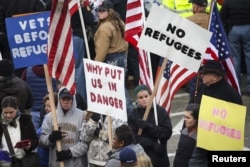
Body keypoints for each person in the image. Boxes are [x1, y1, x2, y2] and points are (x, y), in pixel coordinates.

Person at [94, 0, 134, 115]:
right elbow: (126, 43)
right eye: (98, 11)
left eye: (102, 11)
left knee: (117, 90)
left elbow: (102, 50)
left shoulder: (105, 28)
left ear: (110, 11)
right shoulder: (120, 22)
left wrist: (96, 66)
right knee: (119, 87)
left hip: (111, 59)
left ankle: (130, 114)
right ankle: (126, 114)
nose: (99, 13)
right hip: (121, 57)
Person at [39, 87, 89, 167]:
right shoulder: (50, 117)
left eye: (68, 99)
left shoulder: (82, 116)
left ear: (73, 99)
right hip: (56, 163)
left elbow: (85, 143)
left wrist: (69, 153)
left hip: (76, 163)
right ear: (59, 99)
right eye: (63, 99)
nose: (66, 101)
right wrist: (51, 138)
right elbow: (42, 140)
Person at [128, 84, 172, 167]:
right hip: (142, 157)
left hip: (160, 155)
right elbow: (133, 137)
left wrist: (149, 126)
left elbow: (167, 132)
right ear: (137, 99)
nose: (144, 99)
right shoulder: (133, 115)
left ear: (150, 96)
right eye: (141, 98)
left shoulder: (160, 112)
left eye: (146, 96)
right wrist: (151, 144)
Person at [0, 0, 45, 77]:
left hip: (10, 41)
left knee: (14, 72)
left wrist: (11, 31)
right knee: (32, 70)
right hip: (30, 40)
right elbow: (41, 16)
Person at [220, 0, 250, 96]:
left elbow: (222, 18)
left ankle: (235, 87)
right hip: (248, 29)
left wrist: (226, 31)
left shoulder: (228, 2)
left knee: (235, 59)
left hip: (234, 30)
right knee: (249, 58)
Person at [0, 96, 38, 161]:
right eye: (5, 112)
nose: (8, 115)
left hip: (22, 161)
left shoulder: (26, 120)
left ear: (17, 109)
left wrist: (29, 145)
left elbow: (35, 140)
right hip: (3, 161)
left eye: (11, 112)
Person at [21, 65, 57, 131]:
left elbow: (22, 90)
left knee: (35, 137)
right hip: (51, 111)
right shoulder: (54, 72)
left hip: (33, 111)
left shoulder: (27, 72)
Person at [186, 0, 209, 102]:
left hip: (193, 57)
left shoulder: (188, 20)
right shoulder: (212, 20)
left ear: (195, 7)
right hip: (209, 57)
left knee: (194, 85)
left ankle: (193, 103)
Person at [36, 93, 58, 167]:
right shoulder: (46, 118)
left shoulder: (57, 121)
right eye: (45, 106)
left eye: (49, 106)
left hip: (49, 158)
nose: (46, 108)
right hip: (42, 157)